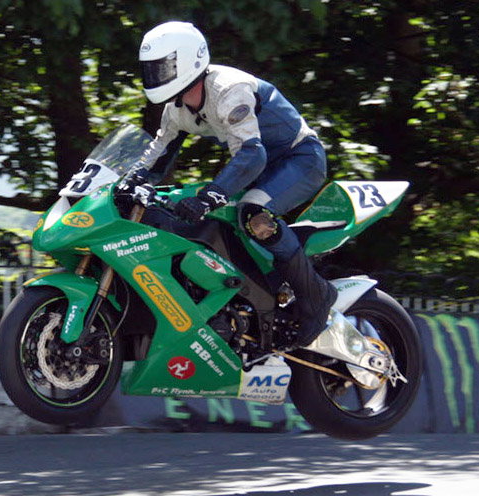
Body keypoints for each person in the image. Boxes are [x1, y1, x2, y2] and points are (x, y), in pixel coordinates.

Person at [122, 20, 336, 347]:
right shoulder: (176, 109)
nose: (156, 75)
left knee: (254, 214)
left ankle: (317, 295)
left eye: (163, 66)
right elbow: (158, 153)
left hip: (299, 158)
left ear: (189, 60)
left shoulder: (228, 90)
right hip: (258, 165)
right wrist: (128, 182)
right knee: (197, 211)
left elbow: (252, 155)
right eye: (151, 69)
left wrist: (210, 196)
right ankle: (255, 298)